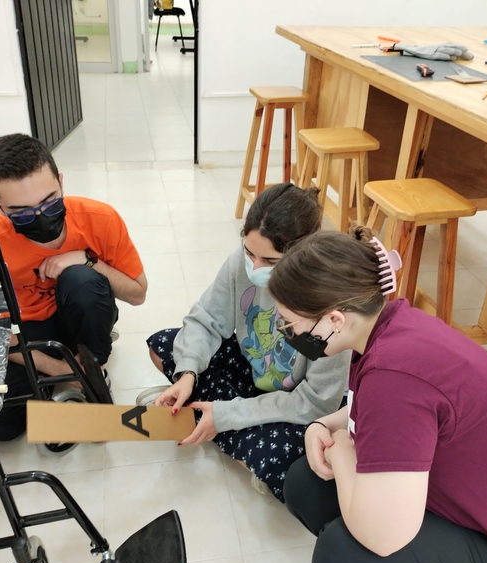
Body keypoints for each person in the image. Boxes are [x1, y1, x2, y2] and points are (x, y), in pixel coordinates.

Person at [266, 228, 487, 563]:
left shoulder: (394, 374)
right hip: (480, 514)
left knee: (342, 559)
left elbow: (383, 537)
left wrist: (342, 452)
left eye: (289, 323)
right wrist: (324, 424)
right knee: (306, 484)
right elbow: (370, 410)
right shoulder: (388, 328)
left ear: (335, 320)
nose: (286, 332)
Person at [139, 183, 351, 501]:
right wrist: (187, 374)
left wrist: (228, 414)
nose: (254, 267)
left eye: (269, 260)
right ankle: (207, 411)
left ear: (303, 254)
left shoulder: (326, 308)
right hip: (252, 370)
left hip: (295, 402)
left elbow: (315, 403)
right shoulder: (241, 262)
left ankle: (210, 417)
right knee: (166, 345)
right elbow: (205, 318)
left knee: (288, 462)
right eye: (250, 253)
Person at [0, 133, 147, 440]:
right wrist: (53, 367)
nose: (40, 217)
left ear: (61, 182)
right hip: (28, 333)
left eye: (50, 203)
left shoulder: (99, 218)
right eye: (22, 213)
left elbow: (138, 294)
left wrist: (86, 260)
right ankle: (61, 386)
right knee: (2, 426)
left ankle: (93, 368)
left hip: (84, 307)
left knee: (81, 280)